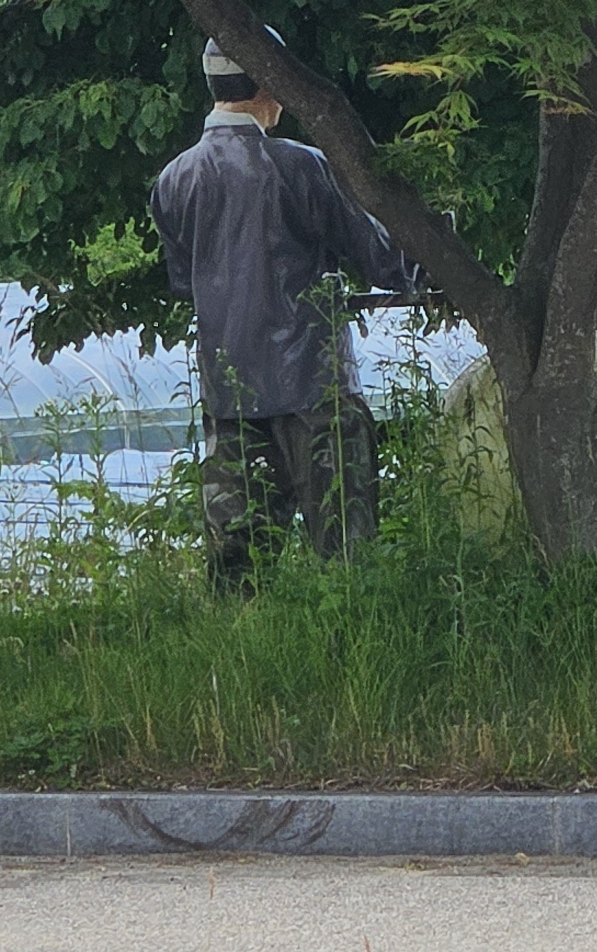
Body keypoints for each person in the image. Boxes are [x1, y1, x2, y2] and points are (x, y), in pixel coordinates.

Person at [150, 31, 422, 590]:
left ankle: (240, 664)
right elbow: (379, 259)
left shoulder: (173, 180)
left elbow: (183, 282)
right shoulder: (301, 166)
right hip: (315, 388)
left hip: (229, 394)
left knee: (237, 568)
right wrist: (427, 252)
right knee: (348, 556)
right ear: (269, 85)